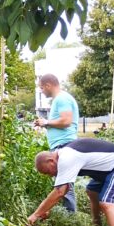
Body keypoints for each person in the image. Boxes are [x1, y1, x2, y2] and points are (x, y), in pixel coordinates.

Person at [34, 74, 79, 212]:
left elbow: (66, 121)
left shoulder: (61, 99)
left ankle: (70, 216)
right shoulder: (60, 99)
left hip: (64, 144)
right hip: (62, 144)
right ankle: (68, 214)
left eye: (42, 88)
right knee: (64, 183)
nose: (42, 91)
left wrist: (46, 122)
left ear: (48, 85)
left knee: (64, 183)